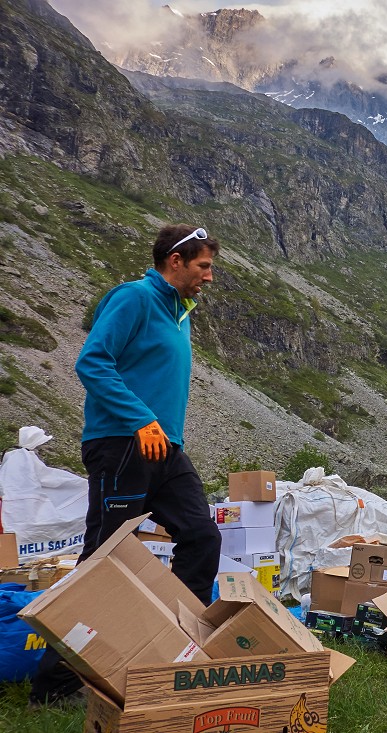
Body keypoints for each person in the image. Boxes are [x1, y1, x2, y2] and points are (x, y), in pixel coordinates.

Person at [29, 224, 223, 707]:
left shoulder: (180, 311)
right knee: (104, 559)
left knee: (202, 537)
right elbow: (92, 362)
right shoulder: (134, 298)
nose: (209, 276)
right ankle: (55, 686)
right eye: (203, 266)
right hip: (121, 443)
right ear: (175, 261)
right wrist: (140, 419)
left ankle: (172, 651)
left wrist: (160, 431)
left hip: (165, 449)